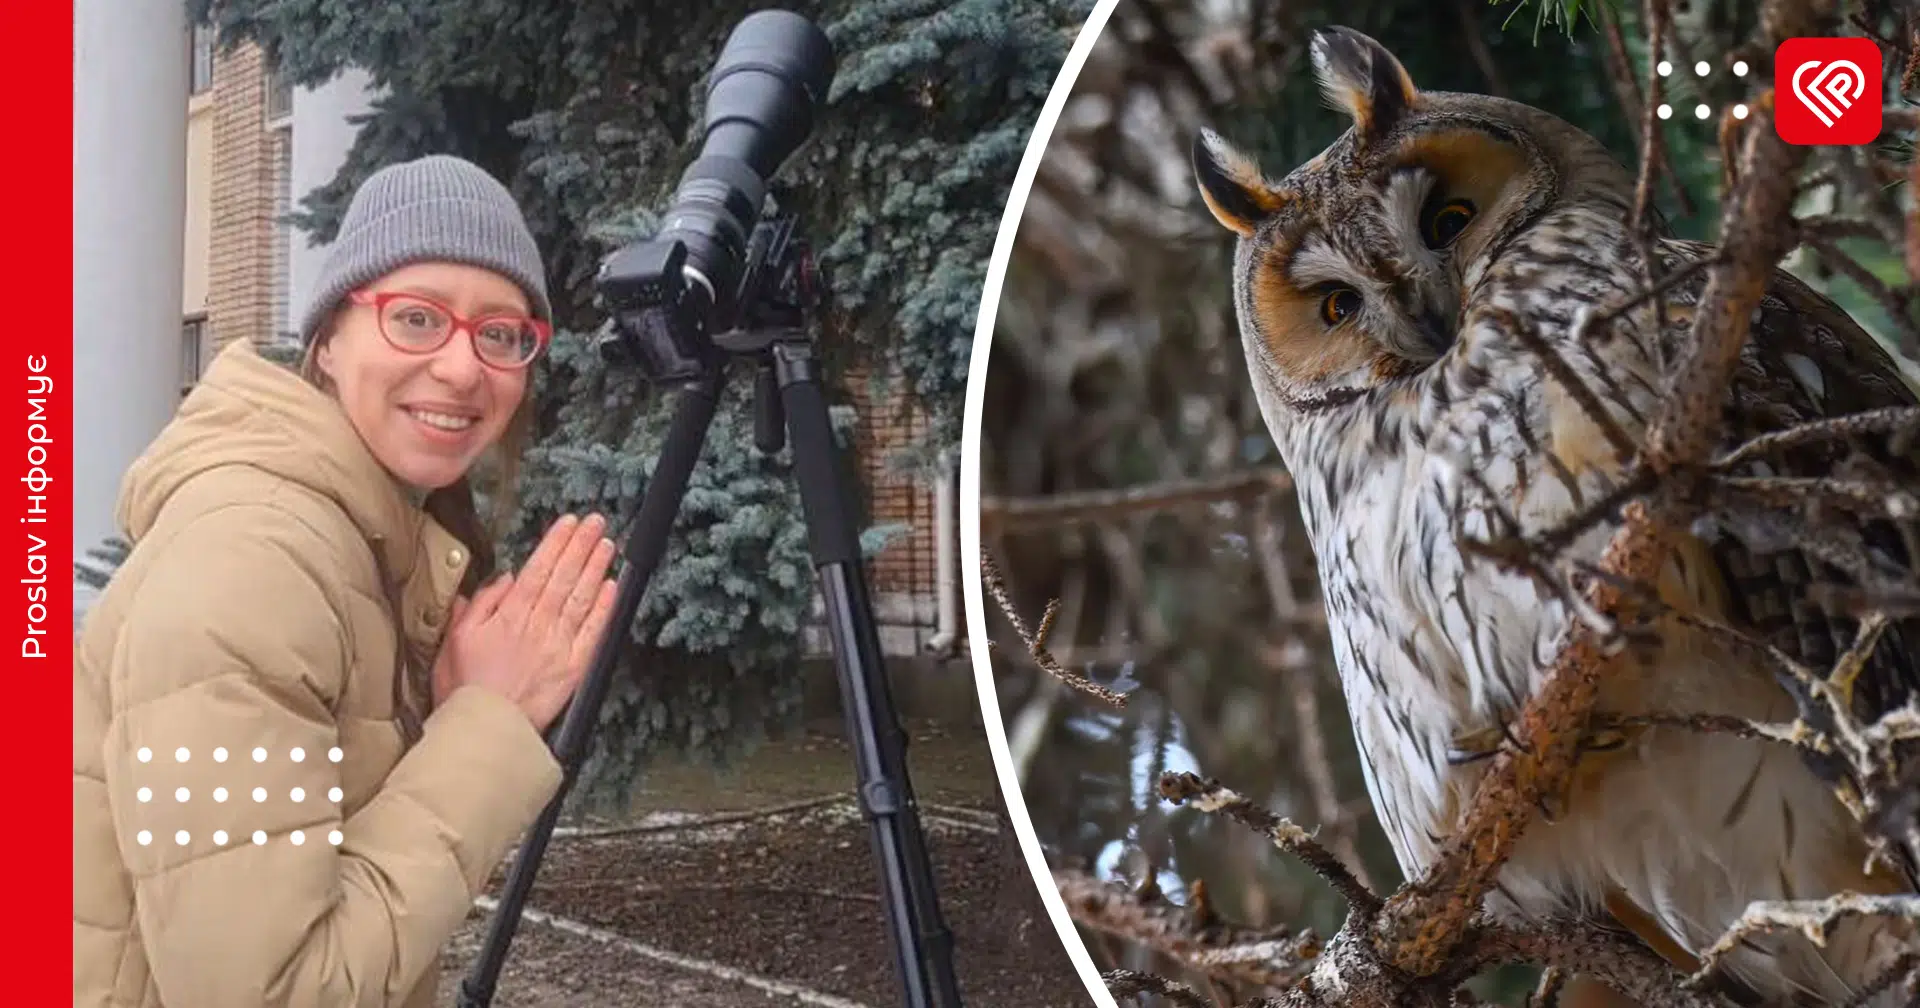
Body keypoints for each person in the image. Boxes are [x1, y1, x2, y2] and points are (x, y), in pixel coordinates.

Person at [73, 154, 619, 1008]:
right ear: (327, 342)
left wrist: (442, 715)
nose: (464, 368)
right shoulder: (251, 567)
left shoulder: (360, 544)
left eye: (501, 333)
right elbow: (270, 993)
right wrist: (489, 724)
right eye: (416, 318)